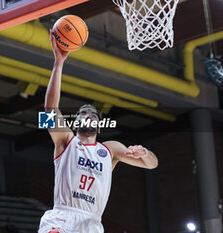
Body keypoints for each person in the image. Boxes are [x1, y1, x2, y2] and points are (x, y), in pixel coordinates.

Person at [37, 30, 159, 233]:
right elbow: (50, 109)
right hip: (62, 215)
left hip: (91, 222)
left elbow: (152, 165)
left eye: (93, 115)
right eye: (83, 113)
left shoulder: (110, 150)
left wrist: (144, 153)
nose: (88, 115)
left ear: (99, 127)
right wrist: (58, 63)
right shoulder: (65, 141)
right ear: (75, 123)